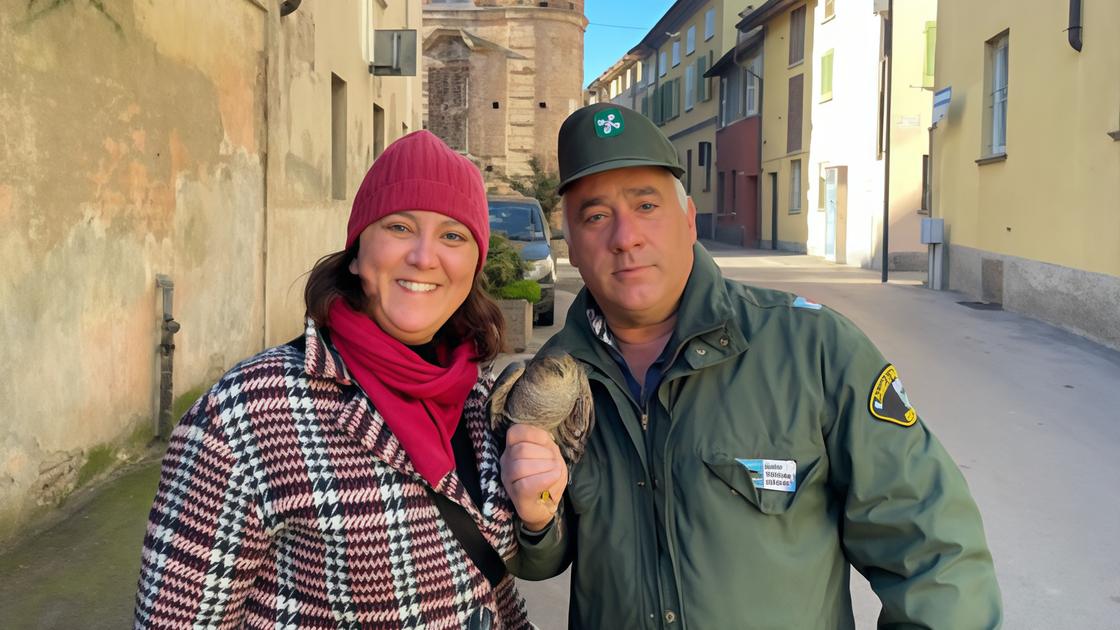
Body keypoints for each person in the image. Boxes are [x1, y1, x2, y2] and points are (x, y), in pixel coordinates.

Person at [500, 104, 1003, 628]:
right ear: (572, 248)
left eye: (646, 205)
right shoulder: (551, 382)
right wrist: (538, 518)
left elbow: (933, 552)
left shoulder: (813, 350)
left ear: (689, 221)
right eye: (595, 216)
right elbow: (540, 559)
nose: (625, 237)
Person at [135, 131, 532, 629]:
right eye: (400, 227)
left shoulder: (476, 392)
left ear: (473, 264)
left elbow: (490, 579)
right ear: (356, 252)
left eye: (453, 236)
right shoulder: (247, 412)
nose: (425, 257)